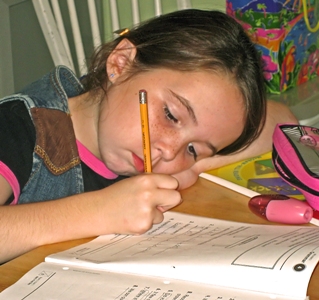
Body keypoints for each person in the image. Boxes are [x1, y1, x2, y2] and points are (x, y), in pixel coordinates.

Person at [0, 9, 297, 263]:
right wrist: (100, 211)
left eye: (193, 148)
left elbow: (282, 122)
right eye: (170, 115)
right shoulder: (20, 127)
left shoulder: (148, 152)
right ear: (121, 63)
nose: (169, 151)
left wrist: (190, 167)